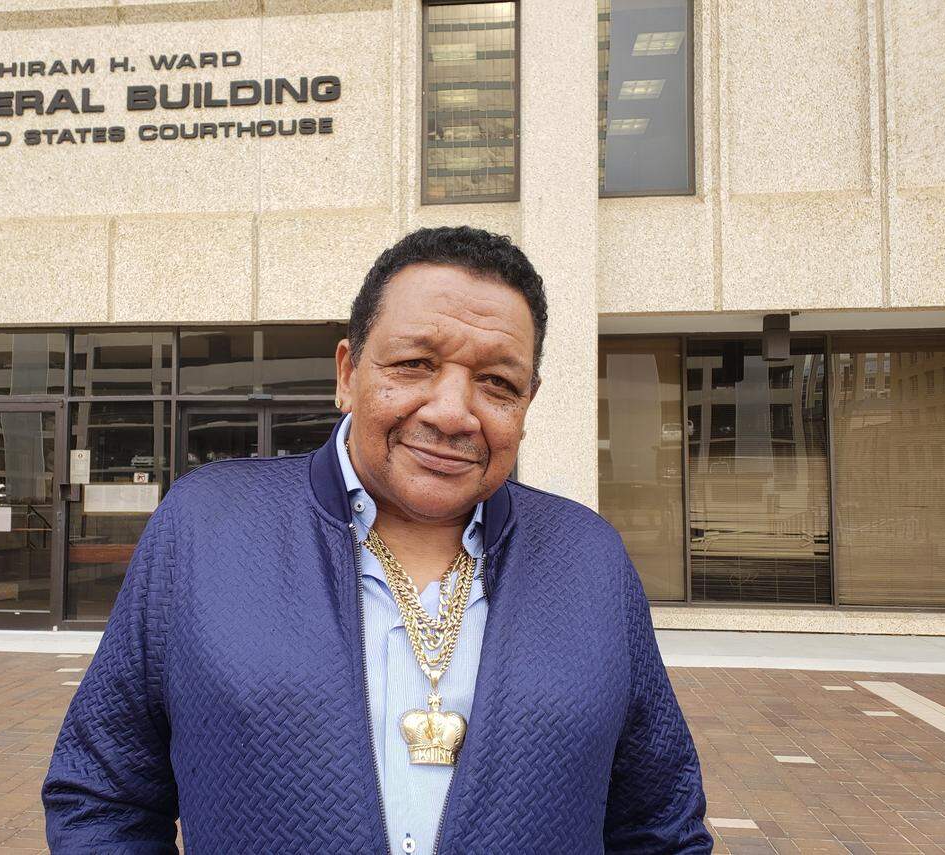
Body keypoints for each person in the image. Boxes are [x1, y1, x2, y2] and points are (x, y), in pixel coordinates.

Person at [42, 225, 712, 853]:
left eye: (497, 383)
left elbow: (660, 825)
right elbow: (102, 791)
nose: (453, 412)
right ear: (347, 372)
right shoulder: (206, 528)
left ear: (526, 405)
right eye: (416, 363)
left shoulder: (588, 559)